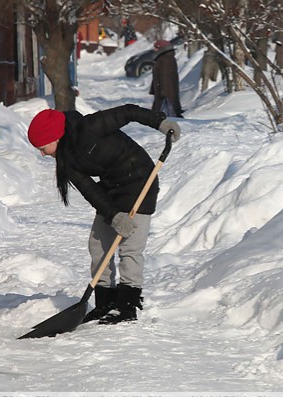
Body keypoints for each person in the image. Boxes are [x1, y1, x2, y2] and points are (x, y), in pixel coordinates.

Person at [26, 105, 181, 324]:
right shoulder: (66, 160)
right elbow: (90, 190)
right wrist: (114, 215)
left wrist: (160, 123)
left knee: (130, 247)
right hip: (112, 189)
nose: (42, 153)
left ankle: (127, 306)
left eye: (43, 147)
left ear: (55, 136)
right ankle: (105, 302)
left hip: (140, 181)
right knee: (98, 244)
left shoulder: (89, 127)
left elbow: (128, 112)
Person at [150, 39, 184, 118]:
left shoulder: (165, 59)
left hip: (165, 92)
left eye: (156, 47)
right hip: (164, 91)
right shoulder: (165, 57)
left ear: (161, 48)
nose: (154, 49)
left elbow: (165, 76)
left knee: (166, 113)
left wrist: (163, 91)